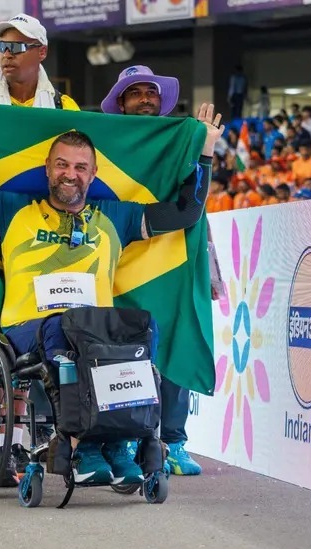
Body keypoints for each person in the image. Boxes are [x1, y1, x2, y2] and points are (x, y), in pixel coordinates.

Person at [0, 88, 222, 486]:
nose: (69, 174)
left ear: (93, 174)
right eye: (61, 164)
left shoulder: (116, 216)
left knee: (141, 328)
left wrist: (206, 151)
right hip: (32, 327)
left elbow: (185, 211)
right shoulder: (10, 208)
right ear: (47, 168)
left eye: (79, 167)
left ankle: (129, 442)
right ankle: (86, 445)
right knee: (67, 332)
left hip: (91, 327)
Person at [0, 12, 81, 477]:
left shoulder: (64, 106)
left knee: (48, 337)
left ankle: (50, 432)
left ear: (41, 52)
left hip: (43, 245)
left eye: (17, 47)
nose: (7, 56)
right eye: (1, 48)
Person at [100, 65, 219, 476]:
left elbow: (193, 198)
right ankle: (127, 437)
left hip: (169, 257)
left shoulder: (176, 139)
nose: (146, 98)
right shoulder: (102, 141)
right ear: (120, 102)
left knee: (173, 349)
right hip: (119, 260)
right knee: (122, 358)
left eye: (151, 92)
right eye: (135, 93)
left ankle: (173, 441)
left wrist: (203, 148)